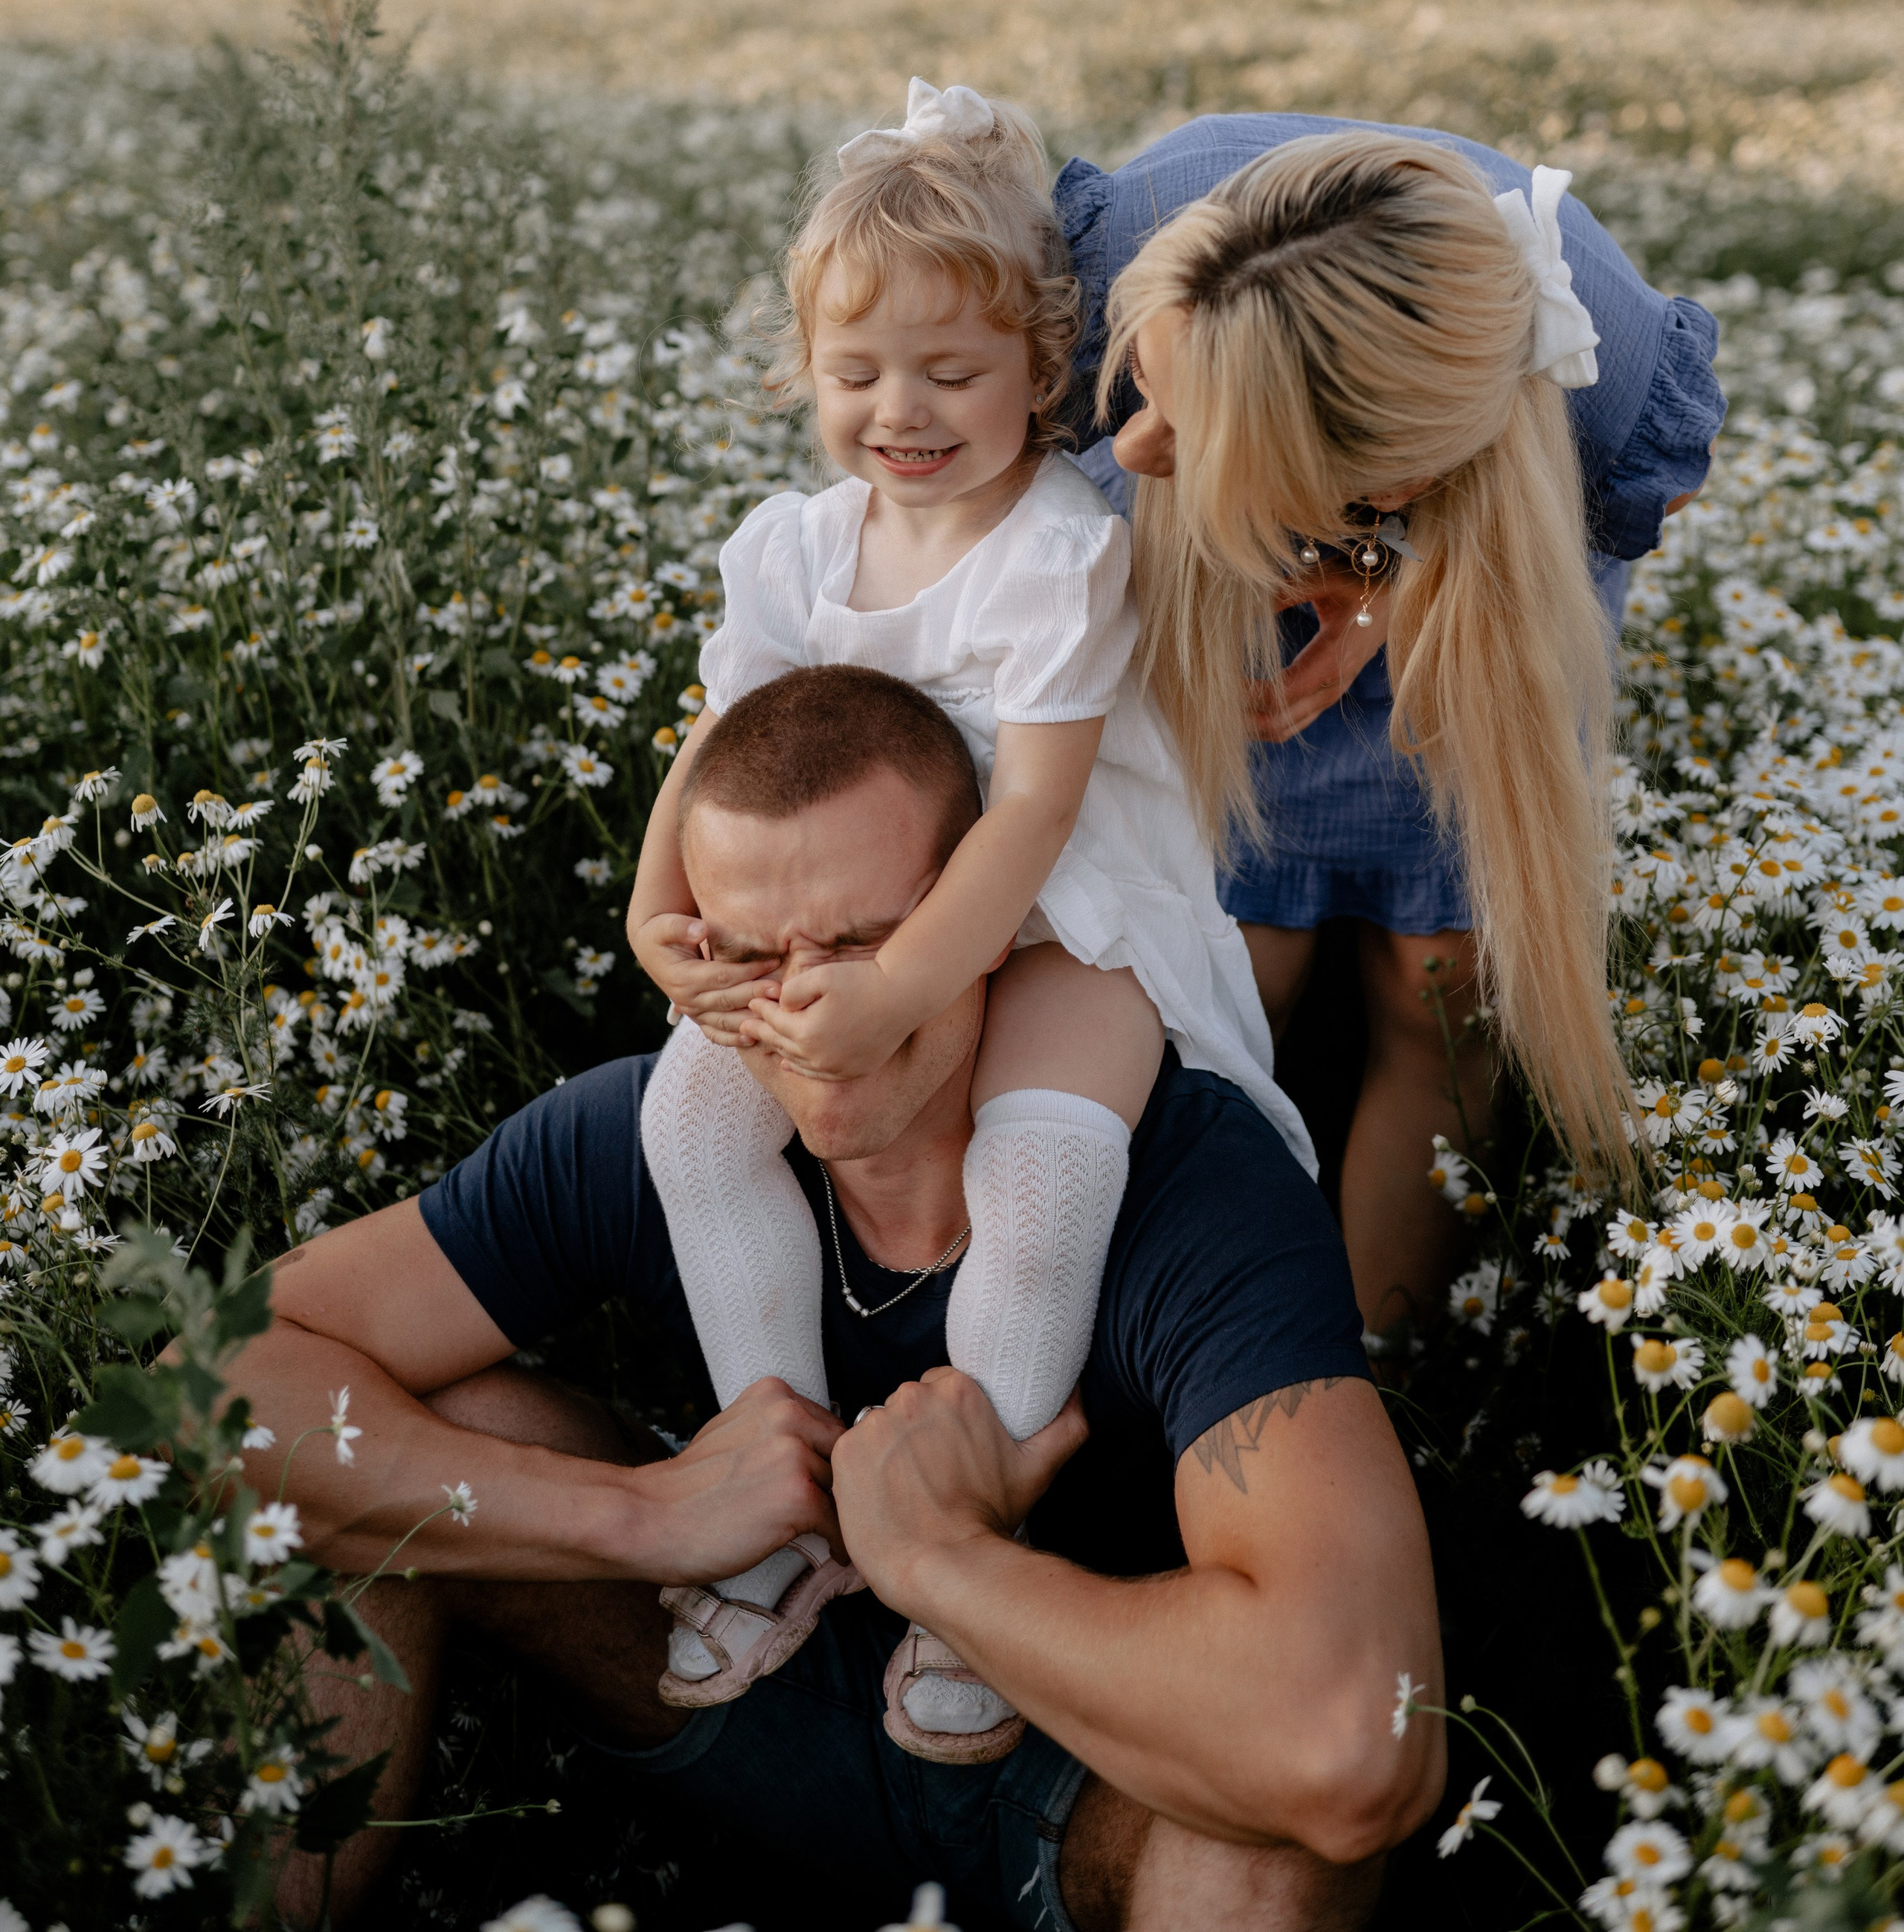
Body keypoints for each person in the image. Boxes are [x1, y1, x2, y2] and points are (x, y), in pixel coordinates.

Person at [233, 664, 1444, 1932]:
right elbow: (210, 1389)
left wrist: (940, 1557)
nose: (803, 1010)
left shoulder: (1181, 1178)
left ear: (987, 915)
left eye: (864, 944)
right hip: (734, 1675)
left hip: (1088, 1767)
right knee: (363, 1456)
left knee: (1276, 1843)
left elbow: (1359, 1746)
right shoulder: (653, 1131)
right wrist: (638, 1514)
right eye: (747, 954)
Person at [626, 81, 1310, 1749]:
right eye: (858, 375)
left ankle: (970, 1560)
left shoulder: (1056, 546)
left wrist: (903, 987)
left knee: (1047, 1155)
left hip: (1059, 910)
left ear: (1038, 371)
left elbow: (1038, 808)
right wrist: (656, 912)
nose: (902, 412)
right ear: (808, 375)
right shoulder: (790, 550)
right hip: (852, 915)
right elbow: (715, 745)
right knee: (693, 1120)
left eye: (951, 372)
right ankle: (775, 1491)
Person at [1053, 113, 1725, 1342]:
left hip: (1480, 598)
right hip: (1221, 587)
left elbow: (1654, 484)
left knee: (1440, 985)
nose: (1133, 445)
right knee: (1227, 959)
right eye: (1144, 385)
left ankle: (1380, 1361)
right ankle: (1185, 1332)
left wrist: (1388, 582)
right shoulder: (1131, 238)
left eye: (1181, 433)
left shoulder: (1603, 356)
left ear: (1398, 480)